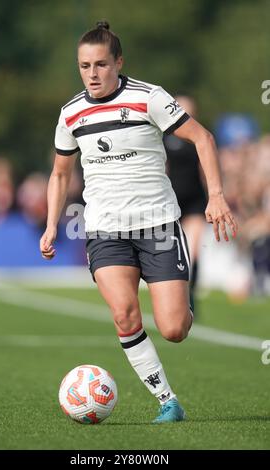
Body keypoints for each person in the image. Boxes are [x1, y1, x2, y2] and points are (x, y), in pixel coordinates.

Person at [40, 21, 237, 423]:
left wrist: (216, 195)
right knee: (125, 314)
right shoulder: (71, 113)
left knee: (174, 329)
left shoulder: (149, 98)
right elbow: (60, 174)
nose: (92, 74)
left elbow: (203, 138)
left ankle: (180, 307)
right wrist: (50, 224)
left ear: (118, 62)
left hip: (159, 227)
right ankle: (168, 401)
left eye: (100, 65)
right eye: (84, 66)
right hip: (105, 230)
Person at [163, 96, 207, 315]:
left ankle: (191, 294)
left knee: (194, 249)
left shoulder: (198, 137)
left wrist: (217, 197)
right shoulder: (163, 138)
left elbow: (205, 169)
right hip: (170, 202)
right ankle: (177, 294)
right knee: (174, 253)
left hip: (195, 200)